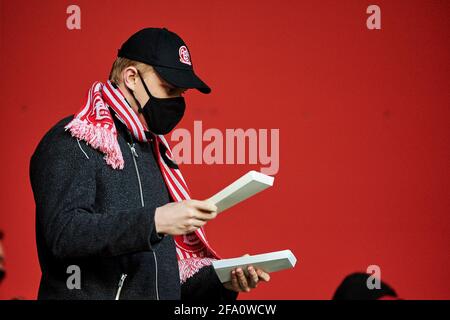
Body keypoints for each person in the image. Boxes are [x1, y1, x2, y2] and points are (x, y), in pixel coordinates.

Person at [29, 27, 270, 300]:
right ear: (131, 77)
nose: (176, 102)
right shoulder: (75, 140)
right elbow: (64, 234)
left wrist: (224, 282)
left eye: (181, 93)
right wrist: (155, 221)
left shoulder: (153, 153)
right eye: (169, 89)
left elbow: (159, 284)